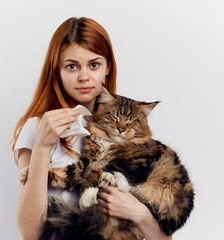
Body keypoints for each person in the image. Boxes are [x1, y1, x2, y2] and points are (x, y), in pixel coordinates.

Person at [12, 17, 173, 240]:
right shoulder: (38, 127)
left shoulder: (128, 127)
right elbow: (29, 233)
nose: (84, 76)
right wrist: (41, 147)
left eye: (94, 64)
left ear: (108, 67)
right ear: (56, 71)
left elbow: (163, 238)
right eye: (71, 66)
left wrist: (139, 213)